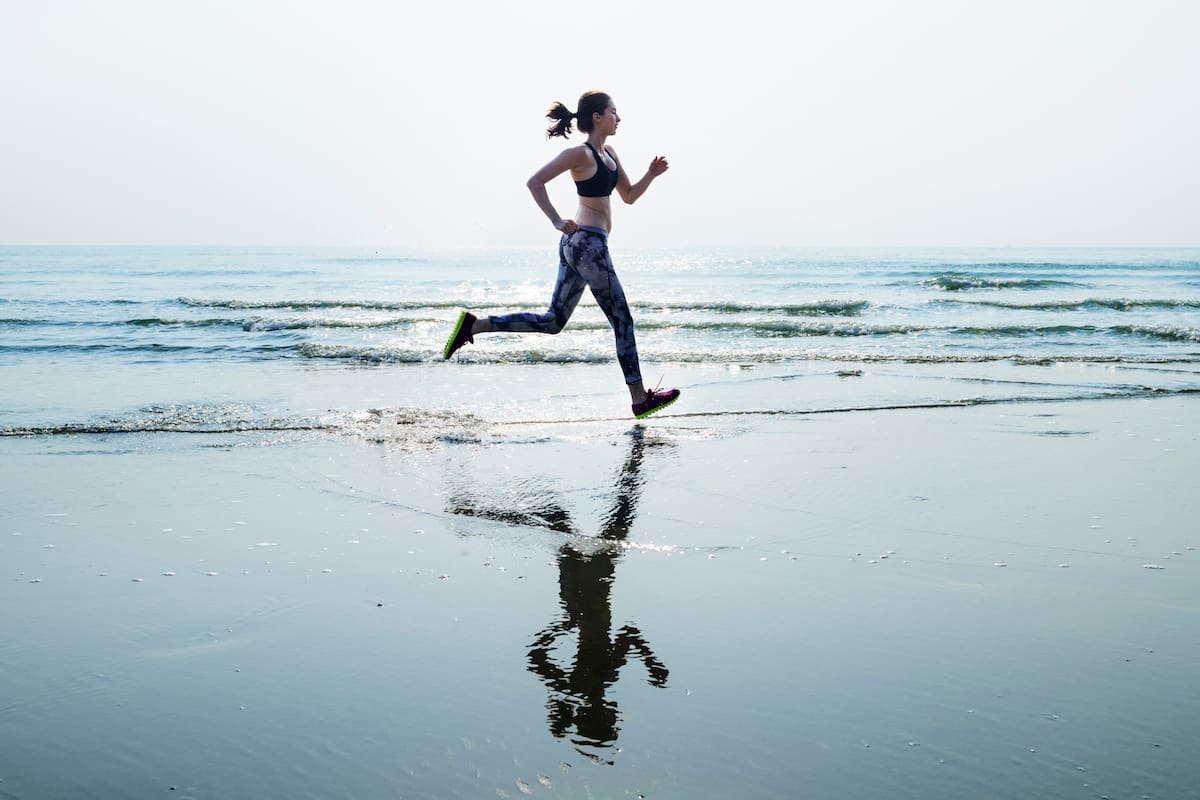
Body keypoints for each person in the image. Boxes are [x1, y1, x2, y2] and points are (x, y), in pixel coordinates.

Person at [442, 90, 680, 420]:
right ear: (597, 117)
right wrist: (555, 219)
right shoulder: (579, 154)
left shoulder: (609, 154)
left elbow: (628, 196)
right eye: (614, 112)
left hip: (583, 247)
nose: (619, 118)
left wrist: (650, 176)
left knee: (553, 321)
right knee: (623, 320)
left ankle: (475, 326)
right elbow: (535, 182)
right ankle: (640, 399)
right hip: (587, 246)